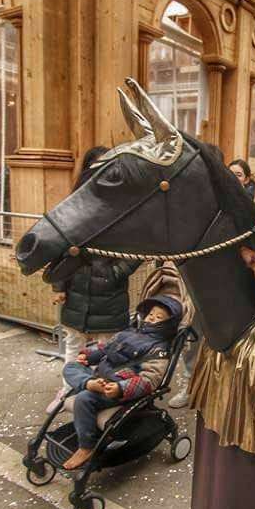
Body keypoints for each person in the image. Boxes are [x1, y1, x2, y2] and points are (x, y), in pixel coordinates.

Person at [47, 146, 141, 411]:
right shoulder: (72, 204)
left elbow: (137, 251)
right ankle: (67, 390)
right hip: (77, 289)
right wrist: (59, 284)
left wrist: (114, 273)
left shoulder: (125, 208)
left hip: (109, 293)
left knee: (107, 348)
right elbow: (59, 247)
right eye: (96, 165)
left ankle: (100, 397)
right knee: (73, 346)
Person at [61, 296, 182, 468]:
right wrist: (89, 356)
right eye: (151, 314)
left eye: (159, 317)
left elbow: (150, 379)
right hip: (99, 377)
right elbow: (105, 349)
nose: (152, 318)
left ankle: (86, 446)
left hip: (118, 388)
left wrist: (120, 388)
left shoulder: (158, 349)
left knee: (83, 399)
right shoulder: (128, 332)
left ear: (167, 325)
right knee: (70, 367)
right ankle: (88, 382)